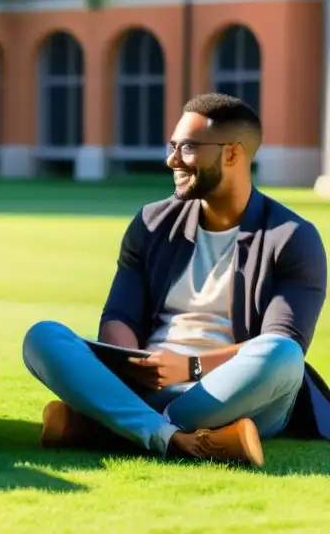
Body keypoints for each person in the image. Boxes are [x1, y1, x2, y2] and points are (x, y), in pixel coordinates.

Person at [22, 92, 330, 467]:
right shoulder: (152, 223)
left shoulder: (293, 237)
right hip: (146, 385)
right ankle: (185, 438)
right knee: (43, 337)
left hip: (238, 393)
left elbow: (282, 342)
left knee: (283, 356)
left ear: (232, 153)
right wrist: (132, 362)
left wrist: (191, 367)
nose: (172, 160)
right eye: (172, 146)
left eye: (187, 148)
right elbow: (120, 316)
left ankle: (109, 427)